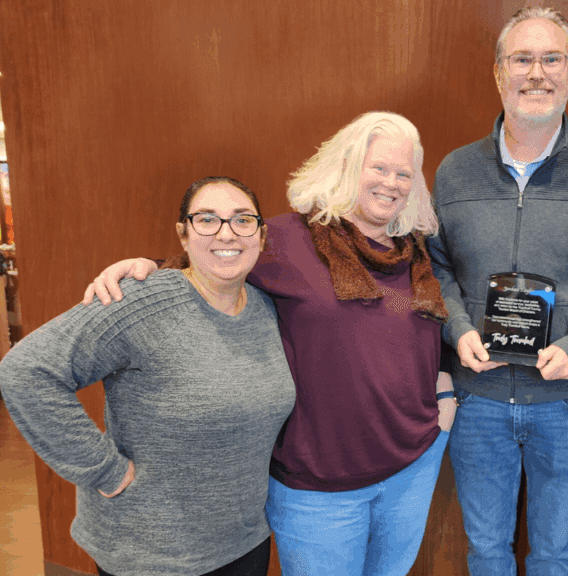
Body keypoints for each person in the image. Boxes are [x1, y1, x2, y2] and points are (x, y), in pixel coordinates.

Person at [84, 112, 456, 576]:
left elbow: (425, 332)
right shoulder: (288, 239)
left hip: (413, 466)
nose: (392, 182)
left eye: (404, 173)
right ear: (345, 165)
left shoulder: (413, 249)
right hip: (318, 487)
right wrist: (146, 265)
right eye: (378, 168)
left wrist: (445, 394)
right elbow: (210, 271)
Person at [0, 177, 296, 576]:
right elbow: (26, 370)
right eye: (207, 219)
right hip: (151, 551)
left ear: (259, 234)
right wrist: (103, 469)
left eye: (242, 220)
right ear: (184, 234)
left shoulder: (265, 307)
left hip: (243, 542)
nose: (227, 233)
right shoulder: (142, 299)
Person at [427, 7, 568, 575]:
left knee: (553, 553)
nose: (536, 72)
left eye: (551, 58)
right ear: (499, 73)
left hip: (566, 403)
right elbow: (436, 269)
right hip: (479, 400)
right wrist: (458, 327)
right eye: (522, 59)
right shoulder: (454, 172)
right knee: (486, 551)